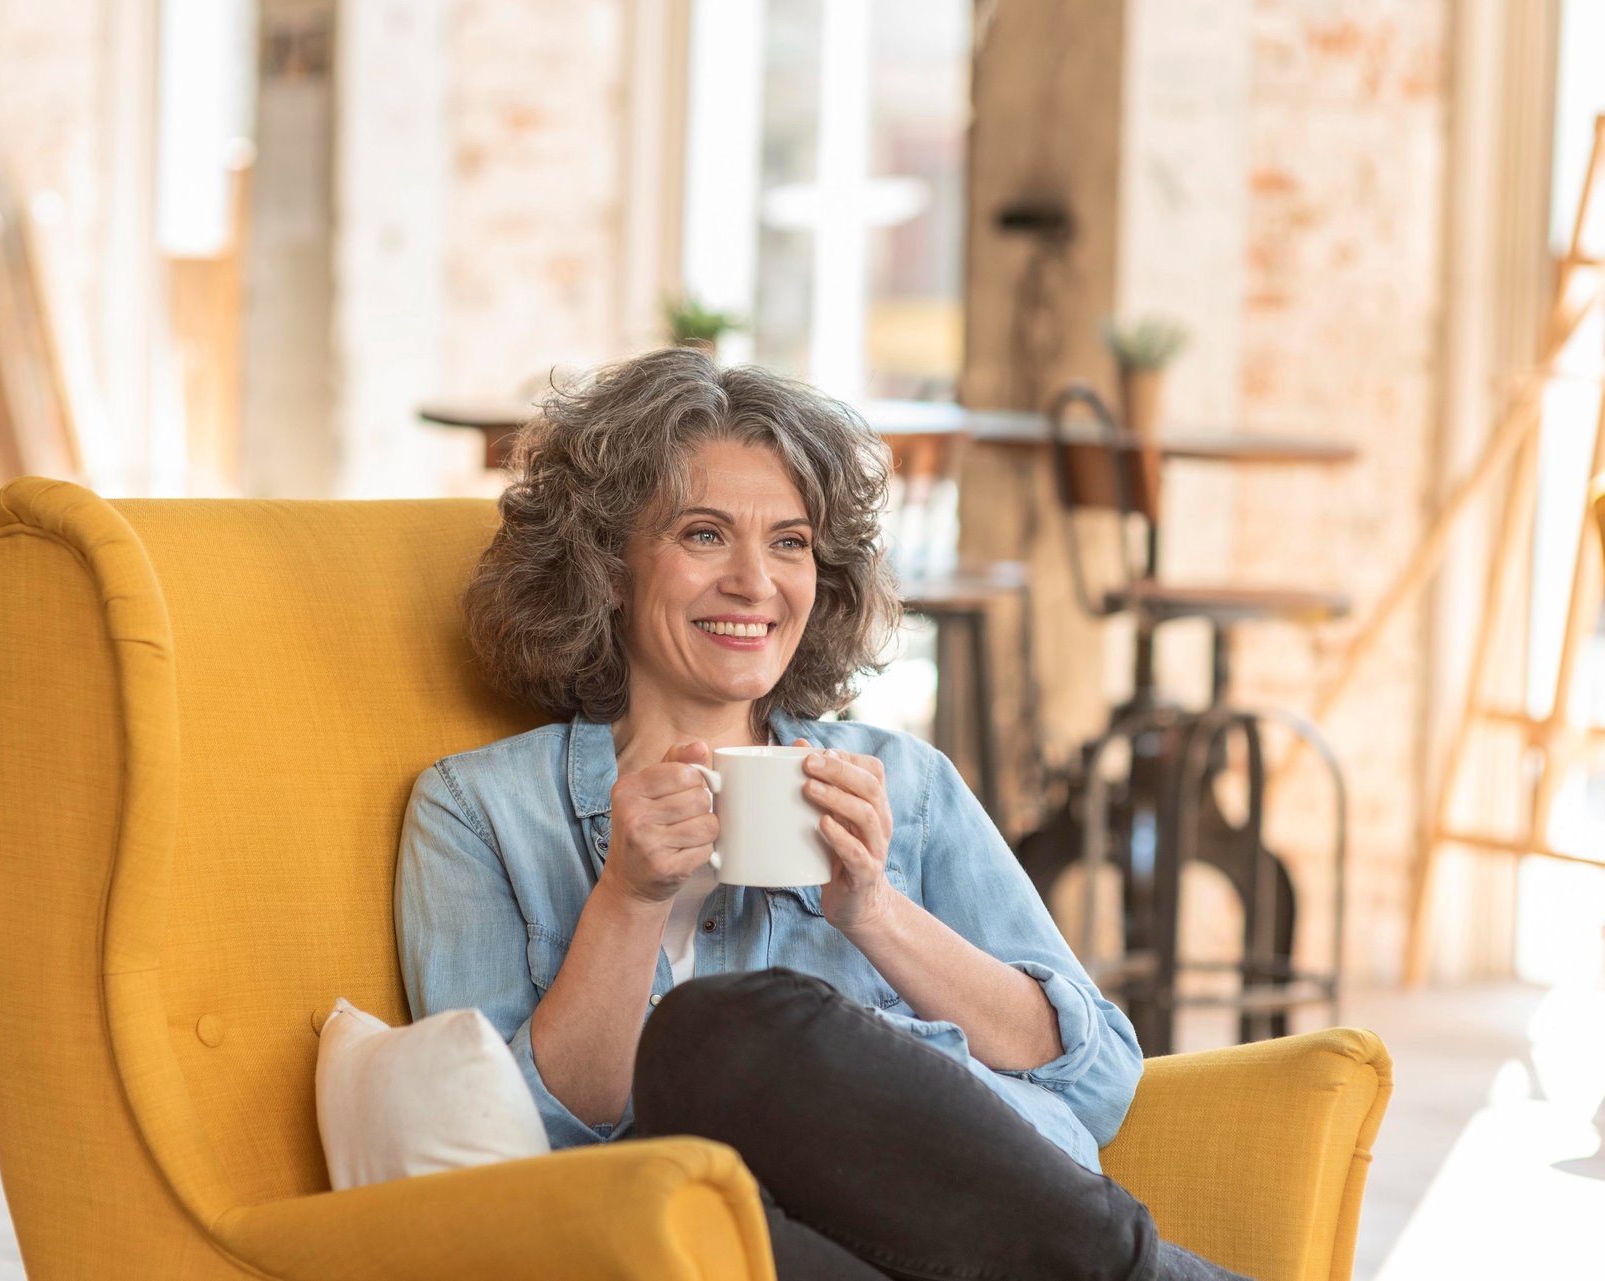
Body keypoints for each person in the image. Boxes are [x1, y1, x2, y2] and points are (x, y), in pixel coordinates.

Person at [394, 348, 1244, 1280]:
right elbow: (514, 1147)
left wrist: (876, 911)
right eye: (705, 534)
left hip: (966, 1233)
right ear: (606, 567)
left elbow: (1098, 1079)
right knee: (716, 1115)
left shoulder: (900, 782)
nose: (757, 582)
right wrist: (629, 899)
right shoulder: (478, 810)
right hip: (719, 1249)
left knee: (723, 1054)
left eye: (790, 541)